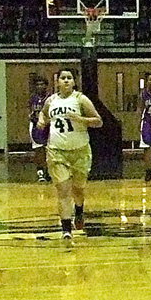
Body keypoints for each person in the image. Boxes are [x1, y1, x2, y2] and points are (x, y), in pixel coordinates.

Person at [38, 68, 102, 245]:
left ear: (74, 82)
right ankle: (66, 229)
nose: (66, 81)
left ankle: (79, 209)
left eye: (69, 78)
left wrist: (81, 119)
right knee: (63, 190)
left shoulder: (81, 99)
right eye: (63, 78)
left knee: (78, 189)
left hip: (80, 151)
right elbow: (43, 114)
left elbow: (98, 121)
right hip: (56, 151)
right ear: (57, 81)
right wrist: (41, 120)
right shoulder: (51, 100)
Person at [28, 76, 51, 183]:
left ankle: (49, 171)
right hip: (35, 125)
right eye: (38, 84)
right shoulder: (33, 98)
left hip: (48, 126)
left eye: (42, 84)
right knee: (38, 149)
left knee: (50, 150)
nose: (40, 86)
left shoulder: (51, 98)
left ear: (46, 86)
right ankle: (40, 172)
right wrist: (32, 118)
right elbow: (31, 112)